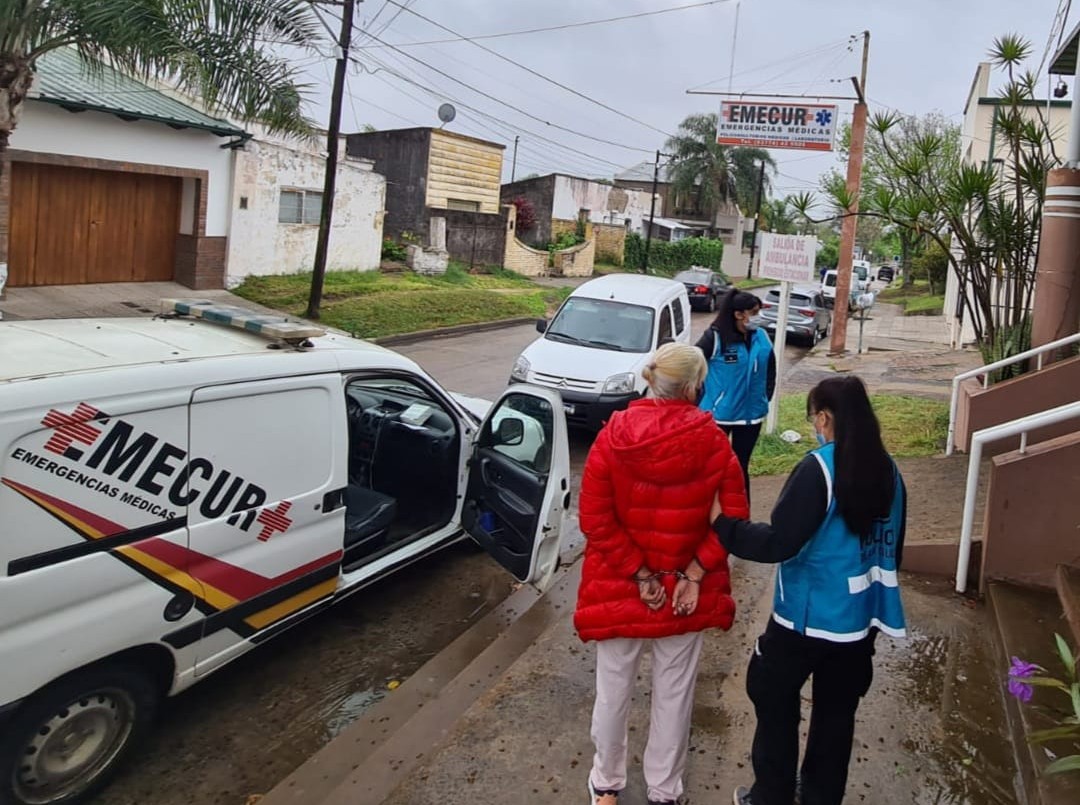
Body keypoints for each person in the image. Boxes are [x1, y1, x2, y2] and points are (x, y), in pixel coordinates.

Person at [709, 376, 907, 805]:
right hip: (858, 625)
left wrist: (723, 526)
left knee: (771, 695)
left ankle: (771, 796)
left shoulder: (819, 470)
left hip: (804, 620)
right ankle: (819, 797)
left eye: (814, 418)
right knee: (837, 717)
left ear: (823, 418)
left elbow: (781, 541)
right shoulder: (890, 472)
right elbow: (892, 552)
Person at [574, 342, 750, 805]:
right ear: (694, 387)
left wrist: (638, 574)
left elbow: (593, 520)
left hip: (618, 583)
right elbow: (733, 518)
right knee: (675, 692)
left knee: (613, 689)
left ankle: (606, 785)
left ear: (652, 380)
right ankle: (664, 791)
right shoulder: (714, 443)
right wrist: (692, 574)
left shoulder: (612, 437)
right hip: (683, 590)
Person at [696, 289, 776, 502]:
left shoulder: (761, 337)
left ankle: (741, 517)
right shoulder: (714, 338)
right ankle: (706, 512)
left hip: (751, 416)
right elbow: (692, 367)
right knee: (713, 466)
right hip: (718, 416)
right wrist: (700, 402)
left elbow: (770, 368)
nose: (758, 317)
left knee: (740, 467)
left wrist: (764, 397)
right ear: (738, 314)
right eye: (754, 312)